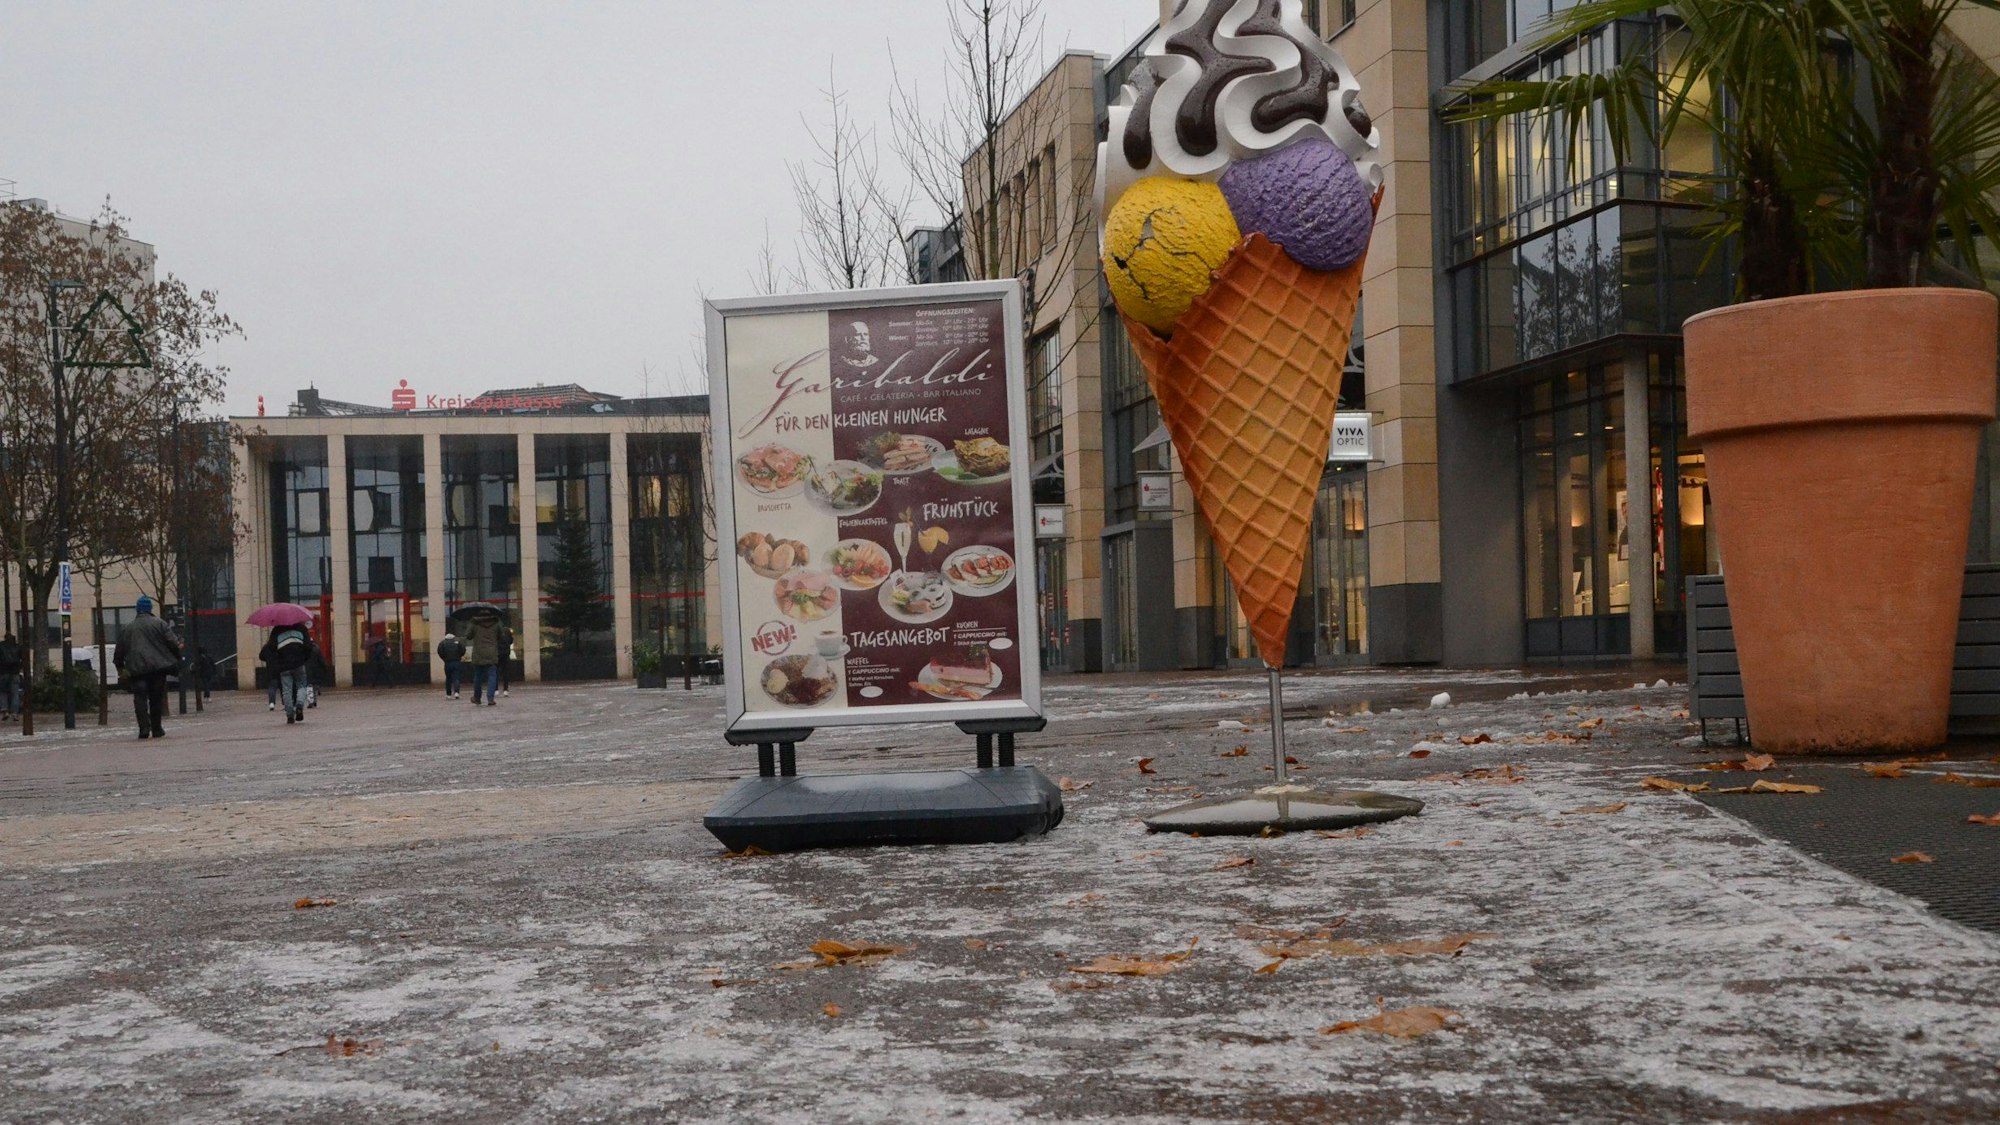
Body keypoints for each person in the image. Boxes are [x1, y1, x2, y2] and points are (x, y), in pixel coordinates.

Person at [114, 596, 181, 740]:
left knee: (140, 699)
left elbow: (119, 651)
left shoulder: (128, 628)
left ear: (137, 609)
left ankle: (143, 728)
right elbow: (173, 643)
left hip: (136, 670)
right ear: (150, 609)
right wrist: (177, 658)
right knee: (155, 699)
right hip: (158, 669)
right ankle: (157, 729)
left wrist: (120, 667)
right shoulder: (160, 624)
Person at [259, 621, 318, 724]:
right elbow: (308, 647)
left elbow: (271, 648)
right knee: (302, 686)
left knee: (287, 690)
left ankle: (290, 715)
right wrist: (303, 658)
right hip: (299, 663)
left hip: (283, 666)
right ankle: (299, 705)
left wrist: (278, 659)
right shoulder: (301, 628)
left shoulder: (277, 630)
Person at [464, 612, 503, 706]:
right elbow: (501, 636)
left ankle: (477, 698)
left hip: (478, 653)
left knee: (478, 676)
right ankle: (490, 699)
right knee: (492, 676)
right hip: (492, 653)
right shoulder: (496, 622)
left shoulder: (474, 622)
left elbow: (468, 636)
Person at [0, 632, 22, 722]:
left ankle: (5, 710)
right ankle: (15, 713)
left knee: (2, 692)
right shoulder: (18, 647)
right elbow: (22, 658)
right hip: (15, 672)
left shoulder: (1, 646)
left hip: (3, 672)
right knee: (15, 693)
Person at [437, 631, 466, 700]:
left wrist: (444, 658)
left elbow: (440, 652)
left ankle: (448, 694)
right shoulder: (458, 642)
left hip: (447, 663)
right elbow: (463, 650)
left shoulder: (442, 643)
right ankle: (457, 692)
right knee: (456, 677)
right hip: (456, 662)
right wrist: (459, 656)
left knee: (448, 678)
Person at [497, 622, 514, 697]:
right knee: (505, 672)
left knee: (495, 672)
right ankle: (505, 690)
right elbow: (511, 641)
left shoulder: (495, 630)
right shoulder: (507, 630)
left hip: (497, 654)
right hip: (506, 654)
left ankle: (495, 689)